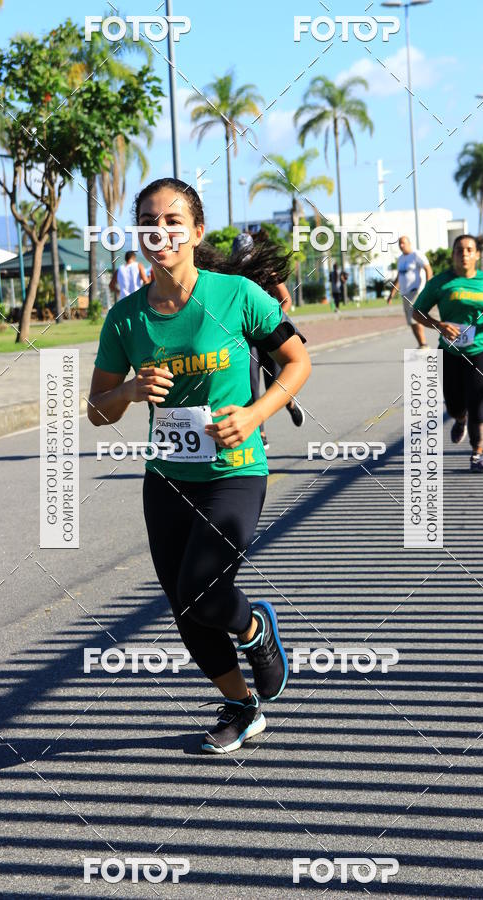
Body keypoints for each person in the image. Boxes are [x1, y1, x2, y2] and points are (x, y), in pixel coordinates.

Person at [88, 178, 312, 753]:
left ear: (196, 231)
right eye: (147, 221)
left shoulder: (237, 295)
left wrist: (256, 412)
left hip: (235, 471)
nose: (158, 231)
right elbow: (97, 410)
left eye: (171, 219)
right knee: (184, 606)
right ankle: (241, 704)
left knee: (201, 588)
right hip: (166, 479)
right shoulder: (125, 319)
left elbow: (296, 360)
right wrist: (132, 390)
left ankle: (255, 628)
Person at [413, 234, 483, 473]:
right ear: (453, 255)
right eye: (459, 250)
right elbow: (417, 312)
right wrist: (438, 325)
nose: (464, 254)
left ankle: (477, 454)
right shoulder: (440, 282)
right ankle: (460, 419)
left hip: (482, 349)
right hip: (450, 352)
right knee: (454, 404)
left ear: (477, 255)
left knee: (476, 400)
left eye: (469, 250)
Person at [231, 231, 306, 450]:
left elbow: (285, 299)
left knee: (274, 381)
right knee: (251, 385)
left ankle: (289, 402)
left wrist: (273, 322)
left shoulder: (266, 271)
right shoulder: (233, 275)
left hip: (268, 334)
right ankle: (260, 433)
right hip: (248, 339)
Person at [387, 235, 433, 348]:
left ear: (409, 243)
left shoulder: (416, 255)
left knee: (415, 317)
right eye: (400, 244)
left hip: (415, 291)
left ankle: (423, 344)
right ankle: (421, 344)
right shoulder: (401, 259)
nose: (401, 246)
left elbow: (428, 269)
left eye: (403, 243)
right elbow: (398, 278)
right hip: (405, 293)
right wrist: (392, 294)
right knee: (410, 321)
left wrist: (429, 286)